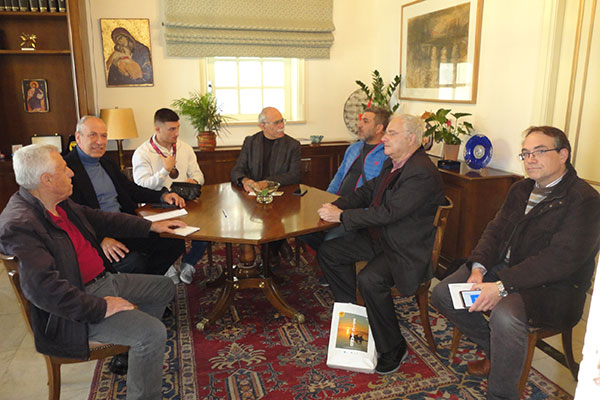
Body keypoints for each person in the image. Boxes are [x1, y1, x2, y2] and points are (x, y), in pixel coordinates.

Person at [0, 144, 186, 399]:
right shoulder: (20, 224)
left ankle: (133, 352)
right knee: (152, 332)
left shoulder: (57, 202)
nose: (71, 172)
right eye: (64, 169)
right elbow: (43, 290)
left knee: (163, 287)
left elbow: (101, 218)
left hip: (101, 281)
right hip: (73, 311)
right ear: (46, 179)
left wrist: (151, 226)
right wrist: (101, 307)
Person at [431, 126, 600, 400]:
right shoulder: (521, 189)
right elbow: (495, 231)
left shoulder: (585, 200)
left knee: (505, 315)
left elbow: (559, 261)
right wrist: (479, 268)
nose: (530, 159)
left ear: (563, 155)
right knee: (443, 293)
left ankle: (501, 394)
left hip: (554, 288)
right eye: (525, 153)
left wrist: (500, 286)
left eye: (539, 152)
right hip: (506, 270)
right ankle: (497, 352)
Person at [317, 114, 445, 374]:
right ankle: (354, 315)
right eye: (386, 133)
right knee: (329, 252)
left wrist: (342, 216)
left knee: (370, 280)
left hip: (405, 247)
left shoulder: (421, 172)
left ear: (412, 138)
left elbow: (390, 213)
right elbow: (368, 191)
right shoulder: (394, 162)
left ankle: (394, 347)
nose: (384, 138)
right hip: (383, 237)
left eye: (391, 134)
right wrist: (337, 204)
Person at [64, 116, 185, 277]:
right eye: (93, 135)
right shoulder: (66, 169)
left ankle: (148, 283)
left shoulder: (107, 162)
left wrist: (162, 196)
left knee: (174, 241)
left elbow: (130, 190)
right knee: (135, 262)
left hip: (123, 224)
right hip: (97, 232)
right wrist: (100, 239)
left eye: (104, 136)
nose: (100, 141)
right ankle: (145, 284)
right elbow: (70, 214)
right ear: (78, 137)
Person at [132, 108, 208, 284]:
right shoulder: (143, 153)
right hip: (155, 206)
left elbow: (199, 176)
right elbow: (141, 187)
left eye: (178, 128)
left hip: (184, 202)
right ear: (157, 129)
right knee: (170, 237)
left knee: (205, 228)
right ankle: (167, 266)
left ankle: (189, 263)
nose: (177, 133)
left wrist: (194, 181)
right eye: (171, 129)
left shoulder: (184, 148)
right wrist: (165, 170)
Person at [230, 106, 301, 263]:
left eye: (282, 121)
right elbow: (236, 170)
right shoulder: (250, 142)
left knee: (273, 217)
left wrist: (267, 183)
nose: (282, 126)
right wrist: (245, 180)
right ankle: (278, 243)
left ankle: (273, 249)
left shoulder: (292, 145)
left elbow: (295, 175)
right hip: (253, 197)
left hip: (281, 197)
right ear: (262, 125)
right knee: (244, 215)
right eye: (276, 123)